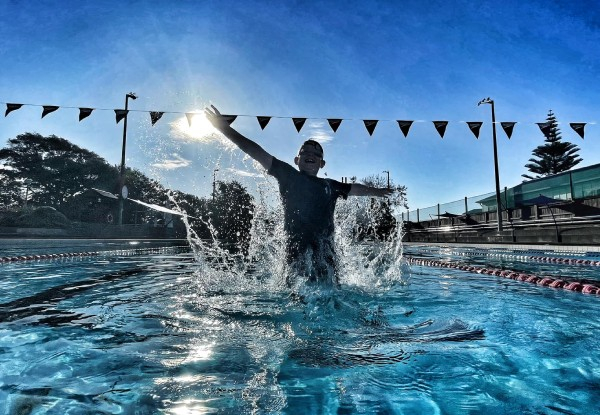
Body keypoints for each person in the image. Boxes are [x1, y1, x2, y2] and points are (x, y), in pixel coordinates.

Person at [205, 105, 393, 286]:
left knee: (332, 288)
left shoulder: (331, 185)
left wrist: (377, 192)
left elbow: (354, 189)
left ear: (322, 164)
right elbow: (256, 152)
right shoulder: (288, 175)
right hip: (295, 249)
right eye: (305, 152)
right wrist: (225, 129)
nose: (311, 154)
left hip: (325, 250)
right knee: (295, 289)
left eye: (316, 153)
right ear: (297, 160)